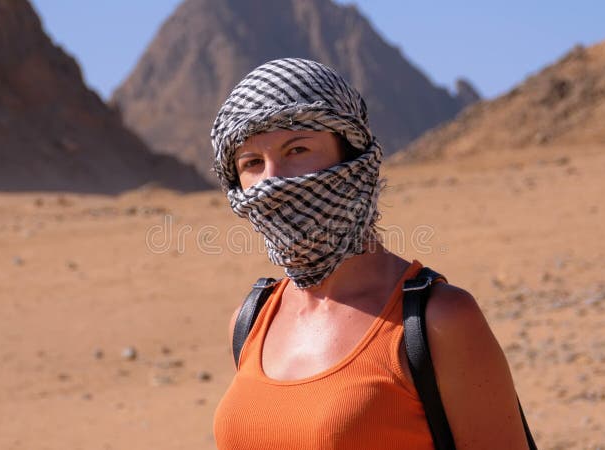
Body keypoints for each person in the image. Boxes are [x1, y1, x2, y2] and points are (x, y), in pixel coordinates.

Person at [210, 58, 530, 449]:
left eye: (297, 149)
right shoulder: (251, 321)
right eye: (252, 163)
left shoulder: (440, 321)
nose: (273, 180)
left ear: (353, 159)